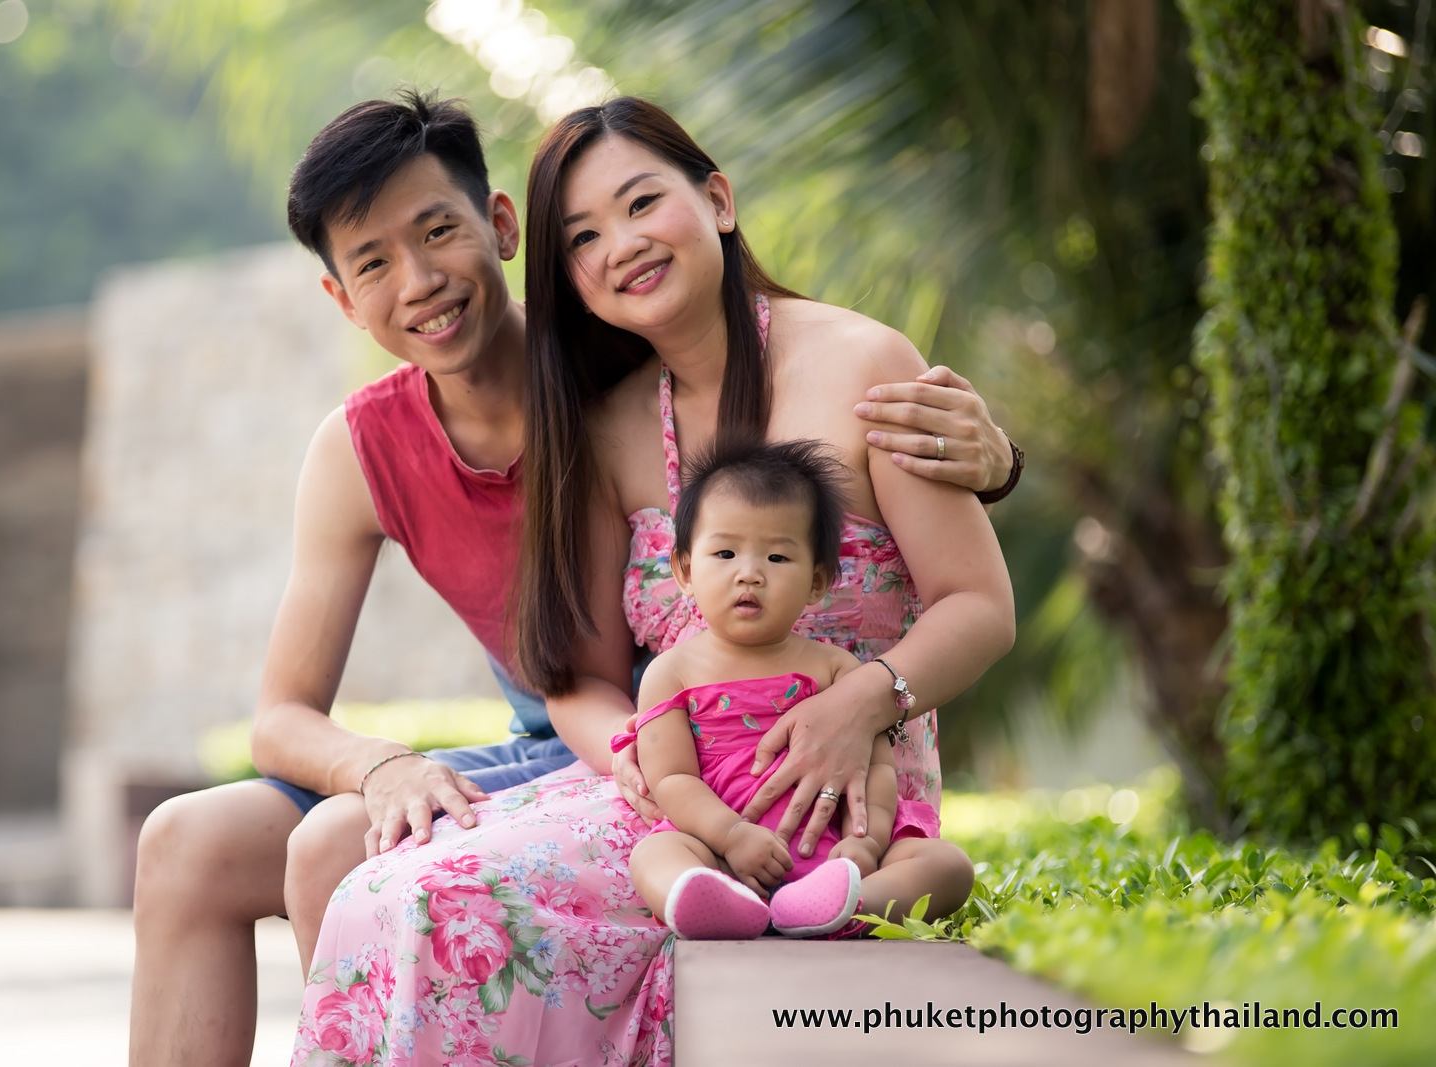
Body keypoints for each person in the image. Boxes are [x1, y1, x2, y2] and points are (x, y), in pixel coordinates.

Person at [128, 92, 1017, 1067]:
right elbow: (563, 680)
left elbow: (970, 589)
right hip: (648, 771)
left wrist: (994, 468)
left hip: (846, 781)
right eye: (585, 236)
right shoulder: (595, 419)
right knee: (268, 854)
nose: (620, 246)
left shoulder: (825, 361)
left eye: (437, 231)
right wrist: (647, 769)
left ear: (502, 229)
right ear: (341, 295)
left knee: (363, 861)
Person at [621, 439, 976, 942]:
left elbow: (876, 769)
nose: (749, 573)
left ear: (816, 581)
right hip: (722, 847)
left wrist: (867, 843)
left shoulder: (836, 670)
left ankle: (845, 905)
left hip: (835, 853)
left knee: (948, 865)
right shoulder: (671, 673)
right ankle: (715, 902)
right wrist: (732, 836)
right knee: (654, 854)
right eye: (725, 553)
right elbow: (672, 779)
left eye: (777, 556)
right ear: (685, 570)